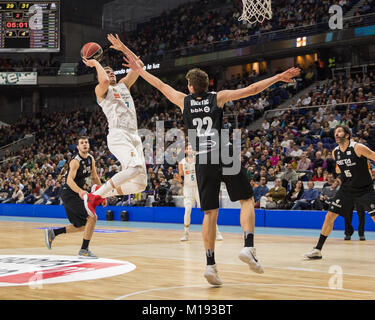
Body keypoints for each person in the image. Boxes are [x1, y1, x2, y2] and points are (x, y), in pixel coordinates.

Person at [122, 43, 299, 285]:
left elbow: (160, 85)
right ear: (207, 86)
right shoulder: (219, 97)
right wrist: (279, 76)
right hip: (223, 152)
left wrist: (139, 70)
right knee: (246, 199)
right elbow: (253, 88)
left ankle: (210, 265)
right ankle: (248, 245)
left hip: (202, 158)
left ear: (190, 86)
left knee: (209, 213)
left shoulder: (183, 100)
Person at [82, 34, 147, 215]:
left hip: (134, 135)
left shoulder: (123, 85)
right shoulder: (101, 90)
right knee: (135, 167)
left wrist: (123, 48)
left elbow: (139, 66)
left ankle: (99, 193)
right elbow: (102, 80)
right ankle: (95, 197)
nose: (110, 73)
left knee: (140, 183)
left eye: (112, 71)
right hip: (118, 134)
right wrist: (95, 63)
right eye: (106, 71)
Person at [304, 126, 375, 259]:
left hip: (365, 189)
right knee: (329, 216)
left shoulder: (357, 147)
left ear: (347, 135)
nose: (336, 134)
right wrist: (340, 178)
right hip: (347, 189)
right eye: (335, 132)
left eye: (340, 132)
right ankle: (317, 249)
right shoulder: (335, 152)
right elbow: (340, 170)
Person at [44, 136, 105, 258]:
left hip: (77, 194)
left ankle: (53, 233)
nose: (84, 144)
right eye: (81, 143)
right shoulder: (75, 161)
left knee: (82, 226)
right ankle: (84, 250)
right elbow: (69, 180)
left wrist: (102, 195)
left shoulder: (91, 159)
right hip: (69, 193)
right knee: (92, 217)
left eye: (86, 142)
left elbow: (95, 177)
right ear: (77, 147)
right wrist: (80, 191)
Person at [178, 144, 223, 241]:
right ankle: (186, 233)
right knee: (187, 210)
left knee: (207, 210)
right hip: (188, 189)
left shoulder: (199, 161)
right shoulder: (181, 162)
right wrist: (179, 179)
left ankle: (217, 231)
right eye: (188, 148)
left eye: (191, 148)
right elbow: (180, 177)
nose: (190, 150)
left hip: (199, 188)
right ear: (185, 151)